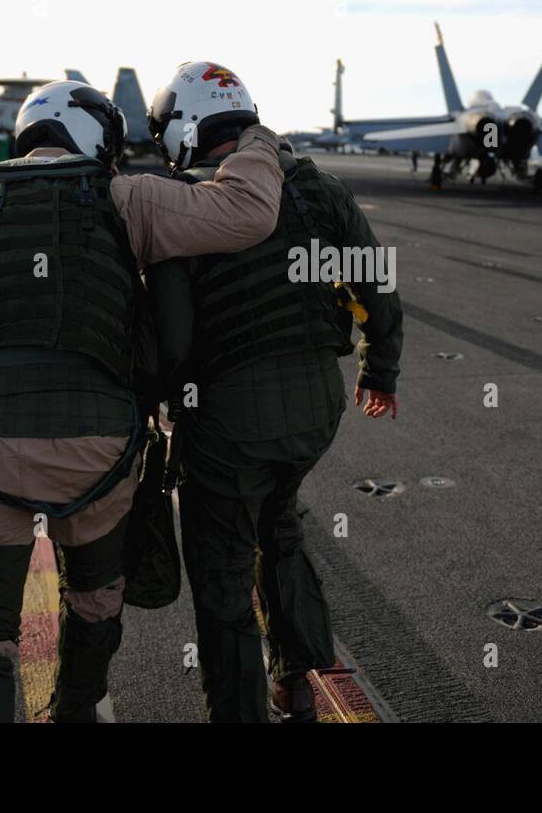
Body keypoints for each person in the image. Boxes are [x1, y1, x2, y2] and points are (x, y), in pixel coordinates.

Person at [0, 78, 286, 723]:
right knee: (96, 599)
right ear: (98, 136)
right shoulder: (130, 199)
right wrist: (256, 136)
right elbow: (247, 212)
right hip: (100, 451)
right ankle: (77, 708)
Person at [144, 62, 403, 722]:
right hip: (316, 407)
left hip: (231, 420)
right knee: (280, 527)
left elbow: (171, 346)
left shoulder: (184, 203)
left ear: (187, 125)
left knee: (223, 571)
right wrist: (379, 372)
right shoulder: (317, 188)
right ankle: (298, 678)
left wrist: (155, 405)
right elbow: (377, 286)